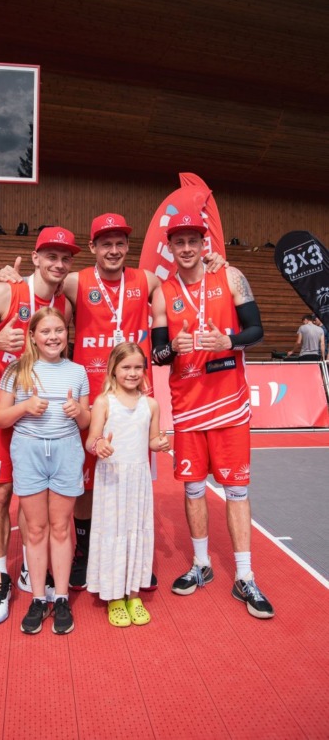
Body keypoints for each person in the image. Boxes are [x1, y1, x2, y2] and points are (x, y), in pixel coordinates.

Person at [0, 212, 226, 591]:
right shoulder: (76, 281)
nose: (114, 250)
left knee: (132, 474)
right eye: (106, 244)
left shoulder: (147, 280)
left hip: (133, 394)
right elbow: (42, 283)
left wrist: (214, 263)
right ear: (93, 247)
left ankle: (135, 556)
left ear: (128, 247)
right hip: (87, 397)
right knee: (86, 482)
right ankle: (86, 553)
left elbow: (186, 280)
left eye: (120, 243)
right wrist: (10, 276)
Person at [151, 210, 274, 619]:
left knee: (237, 490)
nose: (187, 248)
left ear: (204, 244)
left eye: (193, 241)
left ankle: (245, 575)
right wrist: (174, 348)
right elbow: (157, 353)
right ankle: (201, 564)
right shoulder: (163, 293)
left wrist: (229, 341)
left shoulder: (231, 276)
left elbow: (257, 331)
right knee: (193, 490)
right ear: (171, 247)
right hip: (188, 407)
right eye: (179, 242)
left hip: (229, 404)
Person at [0, 227, 80, 625]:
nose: (58, 264)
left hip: (43, 407)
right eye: (51, 256)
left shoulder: (63, 304)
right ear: (35, 257)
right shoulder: (4, 292)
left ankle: (34, 567)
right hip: (0, 396)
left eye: (65, 258)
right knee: (0, 493)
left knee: (39, 494)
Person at [0, 307, 90, 634]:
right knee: (35, 529)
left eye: (58, 330)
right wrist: (24, 407)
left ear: (66, 334)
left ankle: (60, 597)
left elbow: (86, 421)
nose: (53, 337)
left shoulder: (77, 371)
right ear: (33, 336)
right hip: (29, 452)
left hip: (66, 452)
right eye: (45, 331)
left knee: (61, 528)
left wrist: (78, 412)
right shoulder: (17, 370)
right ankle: (37, 598)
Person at [85, 343, 170, 627]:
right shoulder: (104, 402)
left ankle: (133, 595)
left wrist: (160, 443)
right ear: (113, 369)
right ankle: (113, 597)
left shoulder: (151, 404)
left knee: (136, 531)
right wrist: (99, 446)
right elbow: (91, 439)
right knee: (113, 532)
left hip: (138, 479)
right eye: (126, 367)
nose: (132, 373)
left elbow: (152, 440)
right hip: (111, 479)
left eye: (138, 367)